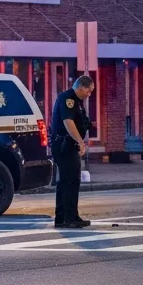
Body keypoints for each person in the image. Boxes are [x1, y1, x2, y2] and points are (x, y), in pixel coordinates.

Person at [50, 75, 95, 228]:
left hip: (69, 145)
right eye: (88, 91)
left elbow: (79, 121)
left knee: (70, 181)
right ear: (81, 87)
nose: (89, 95)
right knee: (68, 181)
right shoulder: (67, 98)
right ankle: (67, 218)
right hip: (64, 145)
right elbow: (68, 122)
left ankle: (68, 216)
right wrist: (80, 142)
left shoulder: (77, 102)